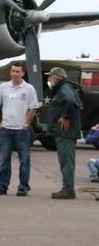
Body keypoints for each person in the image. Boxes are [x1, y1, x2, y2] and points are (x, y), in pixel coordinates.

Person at [0, 62, 38, 197]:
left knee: (24, 160)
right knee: (4, 159)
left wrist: (27, 124)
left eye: (17, 71)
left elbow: (33, 107)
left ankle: (23, 187)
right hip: (6, 130)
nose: (14, 73)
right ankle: (1, 186)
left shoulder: (29, 88)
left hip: (22, 130)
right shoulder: (3, 87)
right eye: (13, 71)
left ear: (22, 73)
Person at [47, 67, 82, 199]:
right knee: (65, 161)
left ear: (56, 78)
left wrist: (66, 116)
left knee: (66, 161)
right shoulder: (64, 88)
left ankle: (68, 190)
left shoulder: (64, 88)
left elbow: (71, 102)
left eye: (50, 77)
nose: (49, 80)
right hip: (63, 132)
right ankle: (67, 188)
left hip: (66, 133)